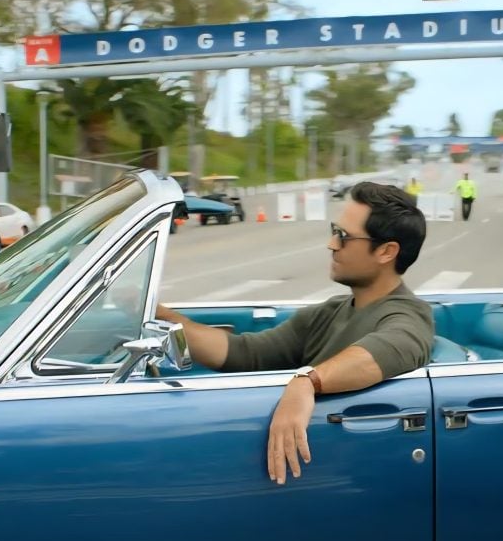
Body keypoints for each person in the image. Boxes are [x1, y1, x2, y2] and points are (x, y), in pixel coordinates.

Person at [155, 182, 434, 485]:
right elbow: (245, 353)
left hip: (351, 475)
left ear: (386, 251)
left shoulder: (409, 316)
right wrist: (163, 316)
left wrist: (306, 382)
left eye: (343, 236)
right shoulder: (331, 311)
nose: (331, 244)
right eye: (333, 230)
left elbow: (380, 354)